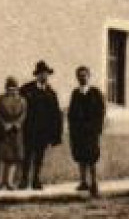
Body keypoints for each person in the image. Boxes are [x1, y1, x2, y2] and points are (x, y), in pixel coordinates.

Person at [20, 59, 63, 190]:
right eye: (41, 73)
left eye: (46, 74)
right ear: (37, 75)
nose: (44, 76)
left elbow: (56, 114)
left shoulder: (51, 93)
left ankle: (36, 180)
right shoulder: (27, 89)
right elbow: (20, 107)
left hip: (43, 131)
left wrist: (56, 134)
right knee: (27, 155)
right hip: (29, 128)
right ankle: (24, 180)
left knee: (39, 156)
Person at [66, 64, 107, 196]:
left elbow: (101, 111)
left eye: (84, 76)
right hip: (78, 131)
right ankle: (83, 181)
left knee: (92, 157)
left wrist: (97, 128)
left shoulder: (95, 93)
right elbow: (71, 113)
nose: (82, 78)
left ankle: (94, 182)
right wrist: (72, 129)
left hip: (91, 131)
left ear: (89, 76)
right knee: (80, 156)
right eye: (79, 76)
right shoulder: (75, 93)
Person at [0, 77, 27, 190]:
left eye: (14, 89)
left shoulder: (22, 100)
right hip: (4, 131)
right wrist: (4, 124)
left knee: (15, 157)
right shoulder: (0, 99)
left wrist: (17, 123)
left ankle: (10, 182)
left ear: (17, 89)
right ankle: (0, 181)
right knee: (3, 156)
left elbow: (24, 114)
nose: (12, 91)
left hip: (16, 131)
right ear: (6, 89)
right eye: (9, 89)